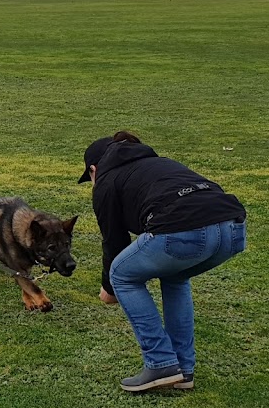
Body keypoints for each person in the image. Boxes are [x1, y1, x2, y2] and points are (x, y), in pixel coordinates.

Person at [79, 131, 246, 392]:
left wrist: (109, 288)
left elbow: (114, 241)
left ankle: (160, 363)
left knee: (122, 275)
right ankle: (183, 369)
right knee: (175, 276)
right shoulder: (158, 163)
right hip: (233, 230)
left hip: (184, 231)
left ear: (93, 169)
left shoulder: (106, 180)